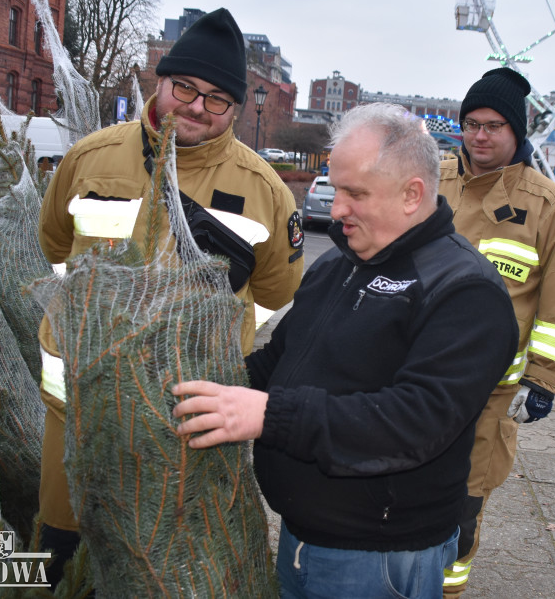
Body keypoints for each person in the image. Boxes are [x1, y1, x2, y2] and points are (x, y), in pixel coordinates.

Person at [172, 102, 520, 599]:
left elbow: (414, 422)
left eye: (355, 193)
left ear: (412, 195)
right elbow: (282, 360)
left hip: (379, 559)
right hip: (302, 536)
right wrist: (201, 383)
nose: (335, 210)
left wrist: (269, 416)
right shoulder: (341, 262)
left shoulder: (465, 290)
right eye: (336, 190)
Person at [35, 7, 305, 586]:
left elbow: (276, 293)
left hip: (187, 429)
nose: (197, 106)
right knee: (63, 554)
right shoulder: (90, 160)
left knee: (166, 572)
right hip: (77, 411)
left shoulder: (263, 192)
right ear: (160, 81)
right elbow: (55, 246)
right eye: (184, 87)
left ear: (236, 109)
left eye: (218, 99)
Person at [438, 67, 555, 595]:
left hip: (489, 394)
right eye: (471, 124)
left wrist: (542, 379)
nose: (480, 136)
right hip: (409, 378)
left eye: (494, 126)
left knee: (462, 509)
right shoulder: (430, 181)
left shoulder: (547, 204)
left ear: (516, 131)